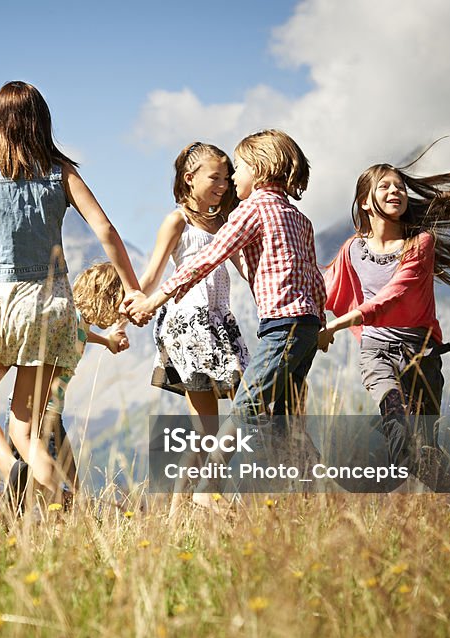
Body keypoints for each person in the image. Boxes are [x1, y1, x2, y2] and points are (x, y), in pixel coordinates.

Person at [0, 81, 140, 507]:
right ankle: (57, 510)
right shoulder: (62, 173)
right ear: (42, 123)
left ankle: (8, 468)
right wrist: (133, 288)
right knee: (29, 429)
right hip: (53, 304)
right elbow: (106, 230)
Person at [123, 129, 325, 494]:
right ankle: (297, 485)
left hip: (253, 324)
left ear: (260, 170)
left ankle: (216, 492)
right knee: (263, 415)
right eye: (219, 175)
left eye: (237, 170)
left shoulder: (246, 212)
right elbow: (312, 276)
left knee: (250, 408)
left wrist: (153, 301)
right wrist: (319, 322)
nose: (231, 179)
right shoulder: (296, 218)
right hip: (213, 324)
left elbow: (223, 263)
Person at [320, 147, 450, 489]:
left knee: (425, 450)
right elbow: (325, 288)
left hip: (422, 354)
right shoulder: (352, 249)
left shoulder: (420, 243)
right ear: (365, 202)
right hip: (376, 352)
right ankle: (387, 494)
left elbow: (395, 294)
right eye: (385, 186)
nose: (396, 192)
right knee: (396, 422)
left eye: (400, 187)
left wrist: (338, 325)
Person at [137, 142, 250, 510]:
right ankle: (189, 504)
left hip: (220, 321)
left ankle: (186, 506)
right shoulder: (178, 221)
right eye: (215, 177)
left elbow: (246, 272)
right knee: (235, 410)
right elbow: (153, 274)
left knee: (210, 430)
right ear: (190, 178)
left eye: (227, 178)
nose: (223, 184)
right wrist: (134, 304)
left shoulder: (226, 223)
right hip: (190, 324)